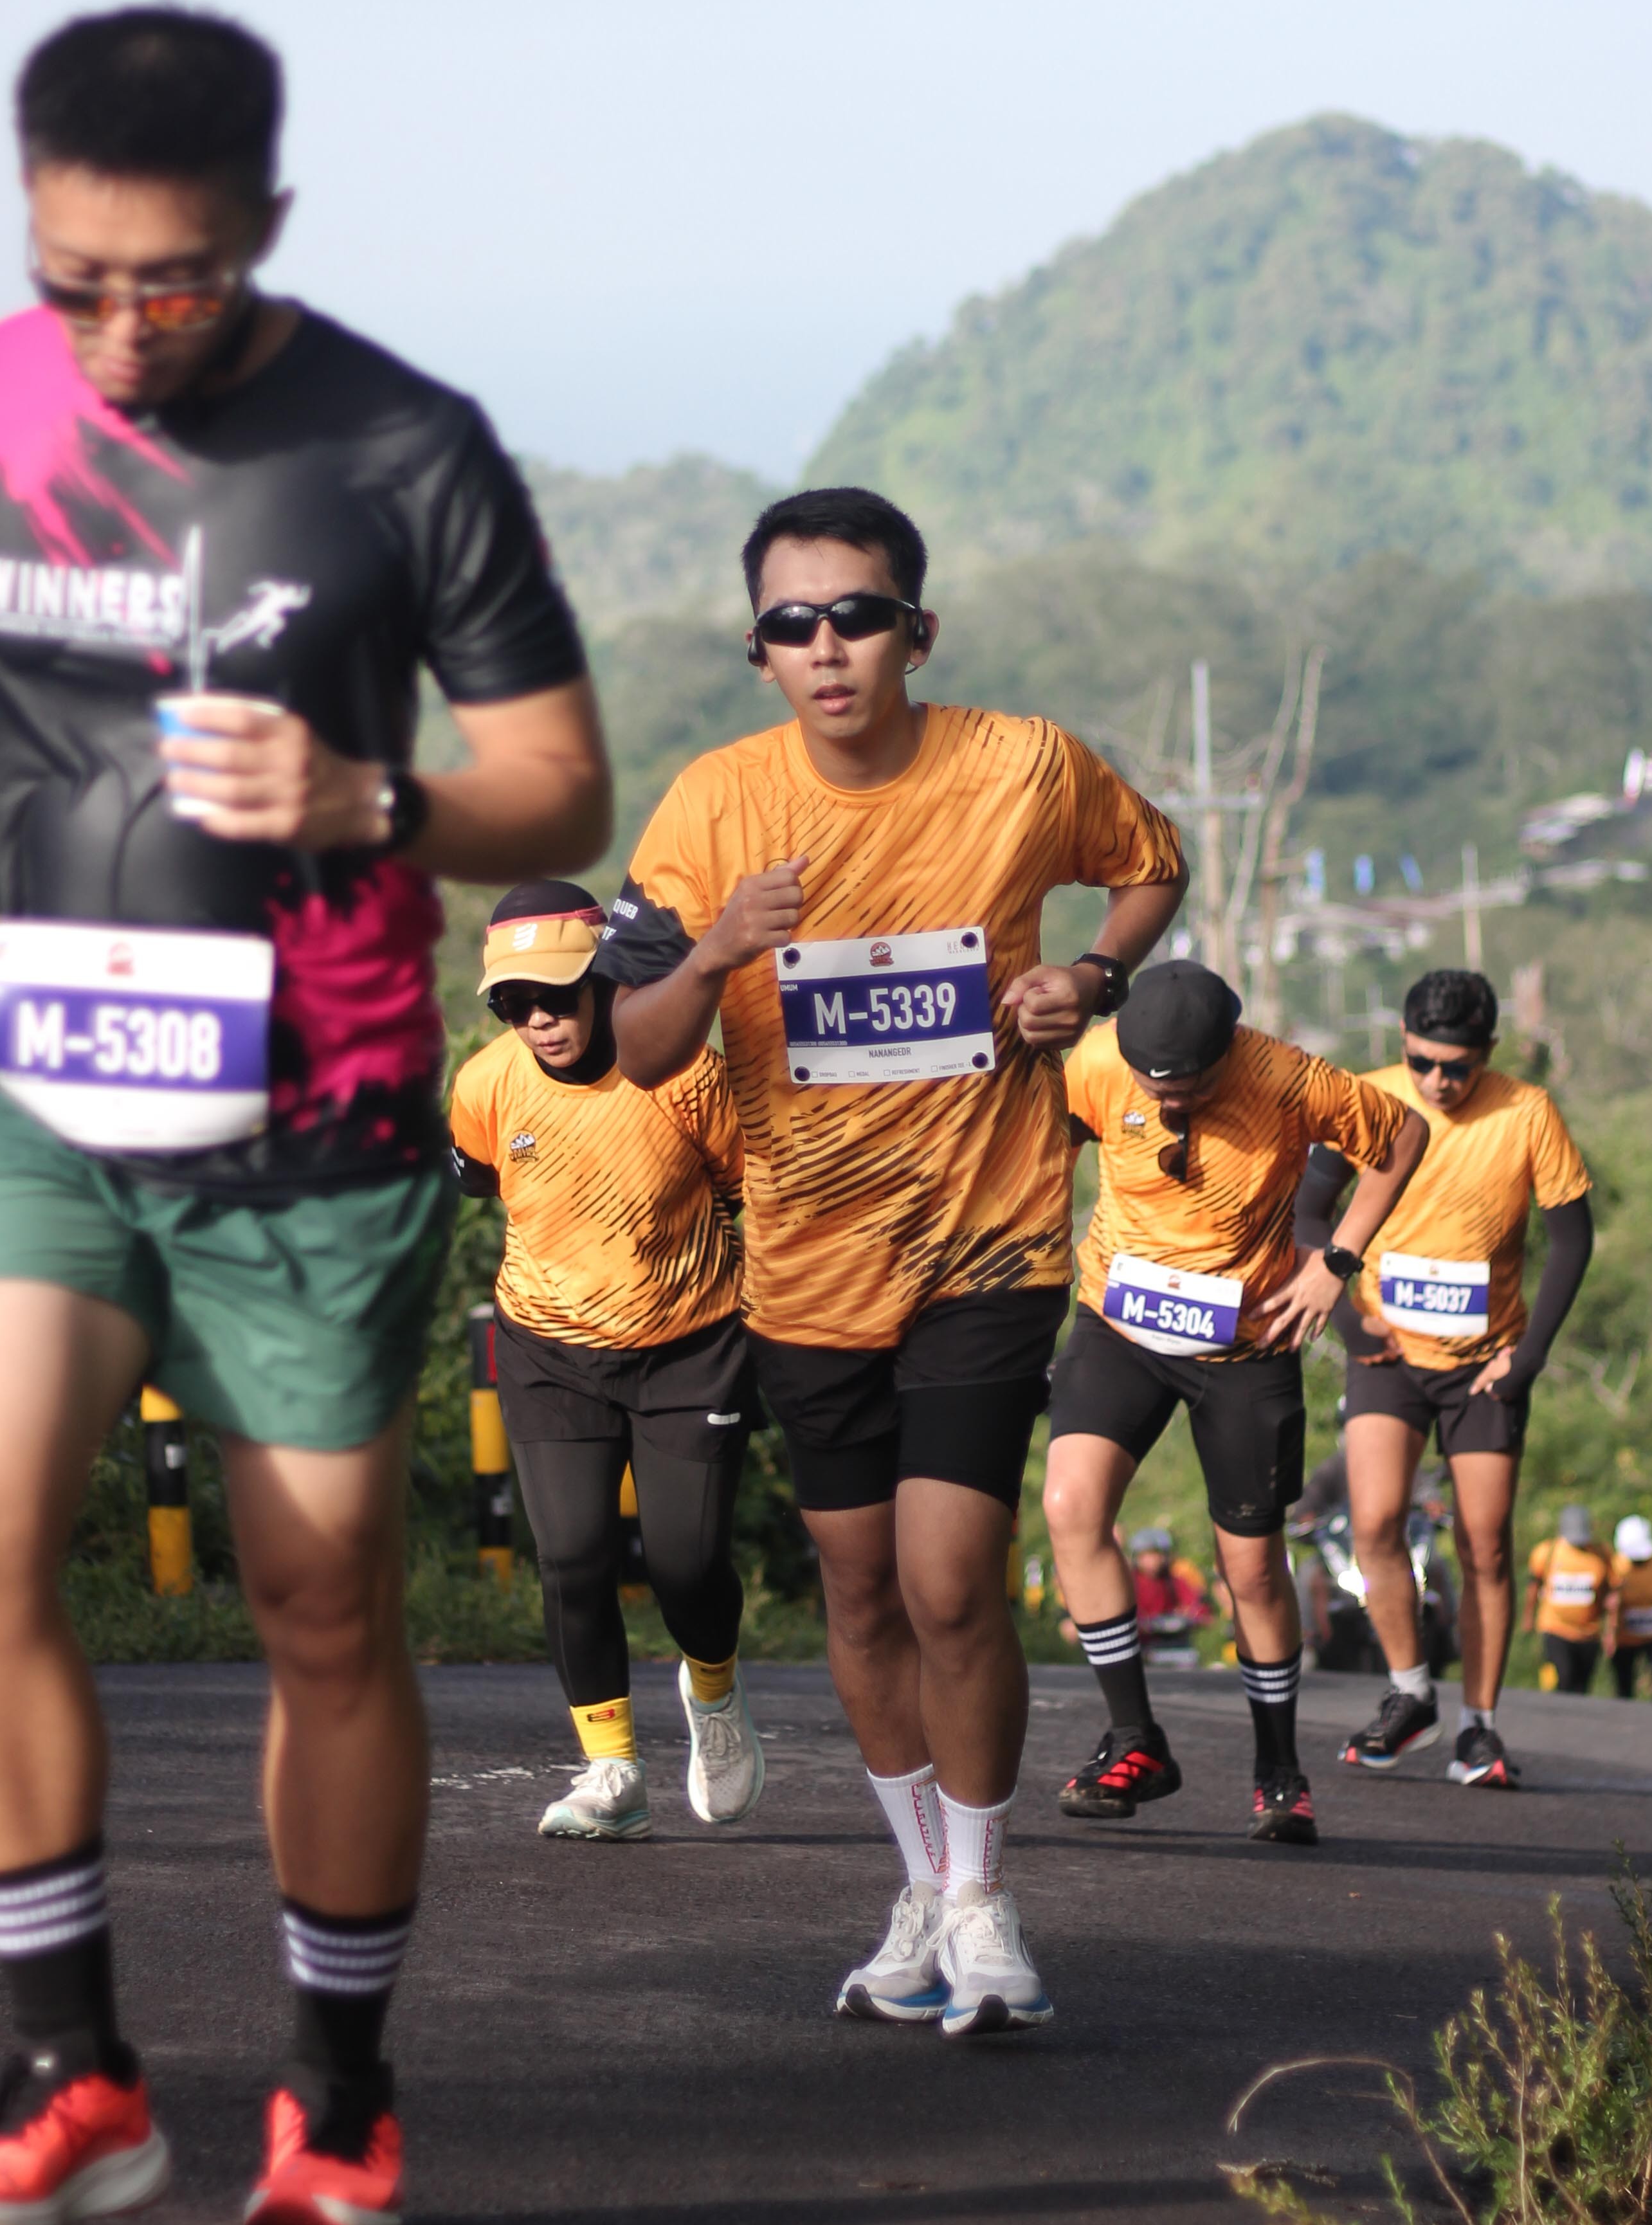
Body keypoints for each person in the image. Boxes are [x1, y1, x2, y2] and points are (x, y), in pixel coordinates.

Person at [0, 6, 609, 2225]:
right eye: (75, 280)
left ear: (270, 225)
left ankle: (336, 2097)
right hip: (23, 1094)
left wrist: (371, 797)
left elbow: (560, 787)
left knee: (323, 1601)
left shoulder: (403, 446)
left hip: (317, 1120)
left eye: (180, 283)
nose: (124, 330)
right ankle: (71, 2079)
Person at [600, 485, 1185, 2036]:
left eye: (856, 614)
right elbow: (638, 1050)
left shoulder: (1022, 766)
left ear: (915, 631)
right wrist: (717, 949)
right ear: (758, 650)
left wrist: (1090, 974)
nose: (827, 646)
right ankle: (921, 1887)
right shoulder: (710, 809)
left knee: (945, 1578)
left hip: (985, 1244)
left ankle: (985, 1900)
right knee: (858, 1594)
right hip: (805, 1265)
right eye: (790, 624)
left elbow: (1150, 864)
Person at [1042, 961, 1425, 1840]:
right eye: (1154, 1086)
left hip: (1246, 1343)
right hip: (1120, 1324)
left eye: (1189, 1086)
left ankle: (1278, 1771)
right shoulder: (1096, 1061)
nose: (1169, 1100)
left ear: (1230, 1053)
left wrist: (1336, 1262)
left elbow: (1403, 1136)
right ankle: (1135, 1740)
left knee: (1250, 1567)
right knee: (1069, 1507)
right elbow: (1044, 1156)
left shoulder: (1286, 1078)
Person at [448, 882, 763, 1840]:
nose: (538, 1019)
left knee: (686, 1564)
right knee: (573, 1557)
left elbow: (748, 1197)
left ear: (607, 980)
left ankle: (714, 1693)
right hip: (549, 1348)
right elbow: (486, 1180)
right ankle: (611, 1770)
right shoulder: (485, 1086)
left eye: (555, 995)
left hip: (691, 1347)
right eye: (514, 1004)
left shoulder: (688, 1077)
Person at [1314, 967, 1593, 1793]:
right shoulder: (1367, 1097)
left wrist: (1529, 1356)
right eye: (1423, 1062)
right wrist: (1346, 1322)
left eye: (1458, 1067)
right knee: (1373, 1525)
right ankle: (1410, 1694)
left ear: (1489, 1053)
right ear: (1403, 1043)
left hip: (1485, 1365)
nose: (1438, 1081)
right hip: (1388, 1356)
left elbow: (1572, 1239)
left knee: (1485, 1544)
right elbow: (1306, 1212)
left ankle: (1478, 1725)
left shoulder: (1526, 1111)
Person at [1520, 1502, 1608, 1695]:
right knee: (1564, 1677)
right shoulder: (1547, 1552)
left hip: (1590, 1633)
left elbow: (1609, 1591)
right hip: (1555, 1628)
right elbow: (1533, 1586)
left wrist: (1609, 1626)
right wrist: (1528, 1617)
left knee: (1582, 1686)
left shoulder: (1601, 1554)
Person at [1602, 1515, 1652, 1702]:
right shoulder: (1616, 1566)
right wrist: (1610, 1635)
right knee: (1624, 1689)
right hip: (1625, 1639)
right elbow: (1610, 1605)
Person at [1126, 1526, 1217, 1671]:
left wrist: (1192, 1616)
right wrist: (1143, 1624)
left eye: (1157, 1555)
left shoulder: (1174, 1581)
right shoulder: (1129, 1583)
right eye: (1146, 1556)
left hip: (1175, 1644)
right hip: (1143, 1648)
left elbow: (1198, 1606)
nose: (1153, 1561)